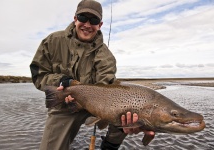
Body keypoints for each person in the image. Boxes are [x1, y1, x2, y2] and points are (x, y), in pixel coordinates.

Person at [30, 0, 155, 149]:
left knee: (124, 112)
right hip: (64, 105)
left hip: (97, 105)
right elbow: (39, 74)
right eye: (83, 18)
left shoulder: (106, 56)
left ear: (100, 25)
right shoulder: (52, 42)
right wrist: (62, 83)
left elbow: (107, 90)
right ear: (75, 18)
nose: (87, 25)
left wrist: (133, 122)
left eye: (94, 20)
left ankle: (110, 146)